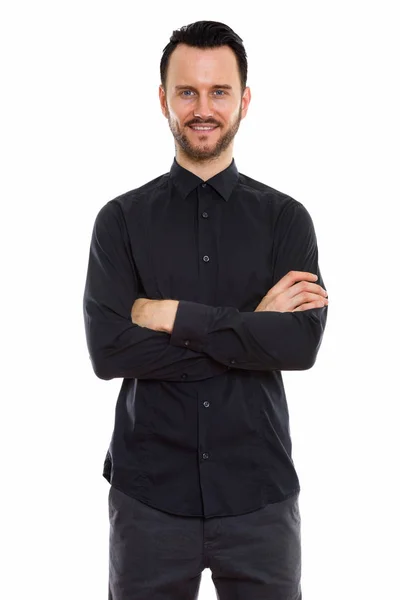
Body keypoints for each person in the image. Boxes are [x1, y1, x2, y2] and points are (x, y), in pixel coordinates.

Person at [83, 19, 329, 600]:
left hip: (259, 502)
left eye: (219, 91)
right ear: (162, 100)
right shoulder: (119, 221)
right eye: (187, 91)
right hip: (149, 501)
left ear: (244, 100)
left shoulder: (286, 220)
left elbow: (300, 346)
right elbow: (109, 350)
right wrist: (251, 329)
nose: (203, 108)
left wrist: (172, 315)